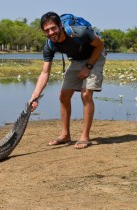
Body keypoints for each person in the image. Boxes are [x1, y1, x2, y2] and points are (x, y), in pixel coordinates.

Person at [29, 12, 106, 149]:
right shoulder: (49, 46)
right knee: (63, 95)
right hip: (77, 59)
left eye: (53, 28)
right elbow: (45, 73)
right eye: (47, 30)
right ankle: (65, 135)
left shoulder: (80, 33)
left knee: (86, 94)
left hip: (95, 56)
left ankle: (85, 137)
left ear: (60, 26)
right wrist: (34, 97)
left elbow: (100, 45)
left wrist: (88, 67)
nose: (51, 32)